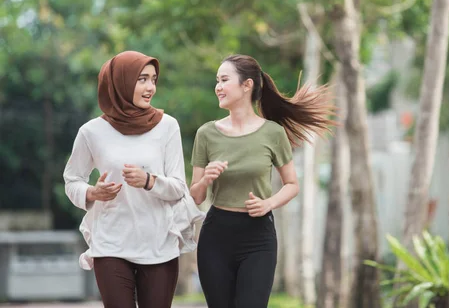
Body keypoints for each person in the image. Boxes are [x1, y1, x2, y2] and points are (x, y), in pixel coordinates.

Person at [190, 54, 336, 308]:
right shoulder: (206, 134)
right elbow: (196, 196)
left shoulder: (273, 133)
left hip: (257, 237)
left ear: (247, 85)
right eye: (217, 81)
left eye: (224, 80)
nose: (218, 87)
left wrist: (268, 203)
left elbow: (292, 184)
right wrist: (206, 180)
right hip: (216, 236)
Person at [63, 51, 202, 308]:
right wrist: (94, 192)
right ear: (121, 82)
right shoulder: (91, 131)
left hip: (158, 244)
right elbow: (72, 180)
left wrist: (149, 180)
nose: (151, 87)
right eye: (142, 79)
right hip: (111, 243)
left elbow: (179, 188)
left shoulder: (167, 126)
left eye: (154, 79)